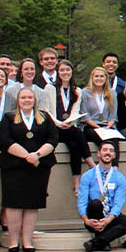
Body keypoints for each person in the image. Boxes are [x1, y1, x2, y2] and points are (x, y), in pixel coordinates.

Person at [0, 88, 58, 252]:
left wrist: (37, 155)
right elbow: (5, 140)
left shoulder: (44, 117)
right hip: (14, 167)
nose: (26, 100)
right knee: (13, 204)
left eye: (29, 97)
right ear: (18, 100)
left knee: (32, 205)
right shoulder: (9, 118)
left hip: (38, 167)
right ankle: (13, 242)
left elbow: (53, 138)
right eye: (23, 97)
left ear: (35, 100)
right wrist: (27, 156)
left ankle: (27, 241)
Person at [76, 142, 126, 252]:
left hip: (110, 217)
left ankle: (97, 242)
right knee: (95, 203)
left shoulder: (119, 178)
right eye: (105, 150)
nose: (108, 153)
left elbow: (119, 202)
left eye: (111, 151)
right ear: (98, 153)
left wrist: (108, 220)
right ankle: (103, 241)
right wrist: (86, 219)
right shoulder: (88, 176)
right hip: (94, 217)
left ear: (114, 155)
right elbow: (82, 200)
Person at [51, 61, 93, 191]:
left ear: (72, 72)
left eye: (67, 70)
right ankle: (91, 163)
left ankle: (76, 182)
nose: (65, 73)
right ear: (58, 72)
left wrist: (69, 121)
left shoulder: (76, 90)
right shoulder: (50, 88)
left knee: (75, 147)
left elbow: (75, 110)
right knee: (78, 133)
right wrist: (59, 123)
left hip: (68, 127)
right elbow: (47, 110)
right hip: (55, 127)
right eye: (62, 70)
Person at [79, 67, 119, 154]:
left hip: (107, 126)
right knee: (106, 141)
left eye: (101, 76)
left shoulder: (112, 93)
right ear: (92, 78)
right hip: (91, 126)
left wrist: (108, 126)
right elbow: (85, 116)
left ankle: (114, 167)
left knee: (114, 139)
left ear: (106, 78)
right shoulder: (85, 92)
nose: (99, 79)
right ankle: (105, 162)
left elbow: (113, 115)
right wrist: (98, 128)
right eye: (96, 76)